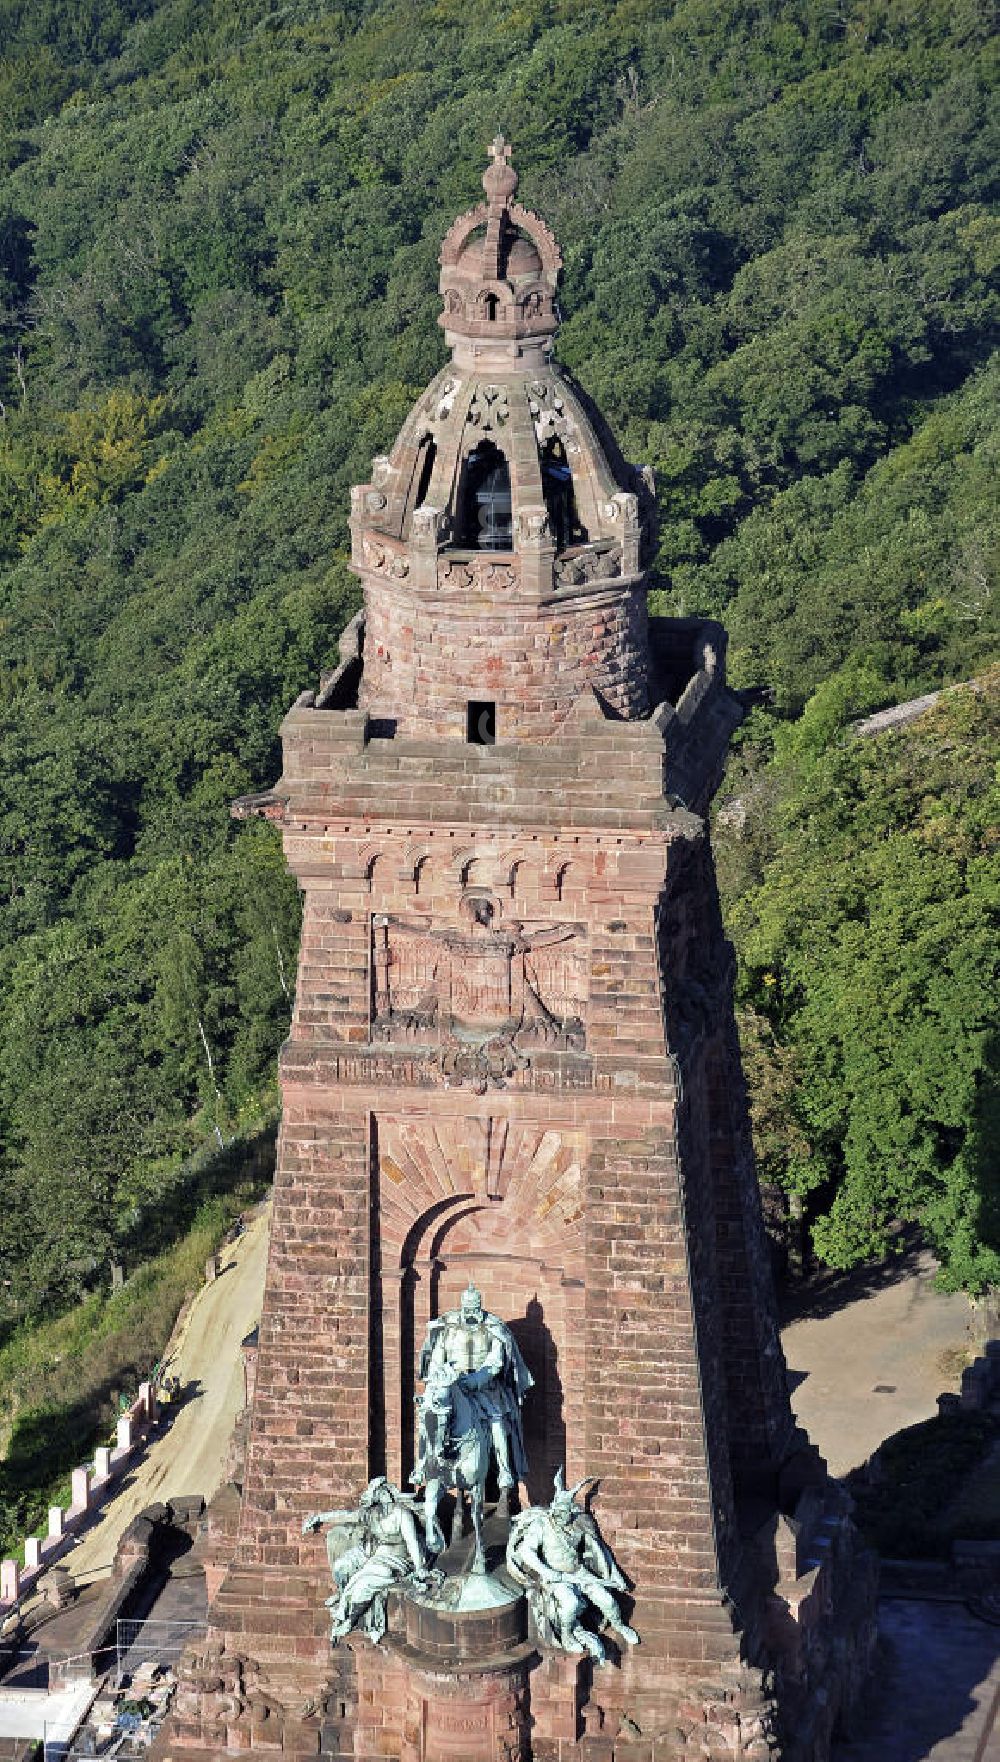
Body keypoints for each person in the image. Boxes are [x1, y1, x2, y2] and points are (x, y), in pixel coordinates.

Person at [416, 1281, 533, 1502]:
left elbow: (496, 1361)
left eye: (475, 1309)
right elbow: (437, 1356)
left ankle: (505, 1471)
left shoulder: (493, 1327)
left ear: (480, 1307)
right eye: (467, 1309)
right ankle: (422, 1465)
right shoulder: (447, 1328)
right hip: (452, 1382)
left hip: (483, 1386)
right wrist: (442, 1376)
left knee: (497, 1422)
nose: (471, 1313)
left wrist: (477, 1379)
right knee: (428, 1416)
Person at [506, 1471, 639, 1663]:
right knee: (570, 1604)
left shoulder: (577, 1524)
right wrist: (547, 1572)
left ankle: (620, 1625)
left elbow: (599, 1551)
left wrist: (615, 1576)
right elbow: (527, 1552)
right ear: (553, 1509)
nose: (562, 1517)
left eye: (566, 1513)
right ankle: (567, 1637)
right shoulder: (542, 1525)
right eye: (559, 1512)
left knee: (608, 1601)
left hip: (579, 1573)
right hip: (557, 1578)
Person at [302, 1477, 435, 1643]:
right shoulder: (370, 1514)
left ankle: (350, 1618)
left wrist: (420, 1567)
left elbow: (412, 1541)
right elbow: (345, 1516)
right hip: (373, 1553)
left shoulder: (401, 1513)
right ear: (375, 1498)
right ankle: (345, 1600)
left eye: (386, 1491)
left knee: (367, 1581)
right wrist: (319, 1518)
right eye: (380, 1493)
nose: (384, 1495)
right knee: (345, 1569)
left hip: (397, 1557)